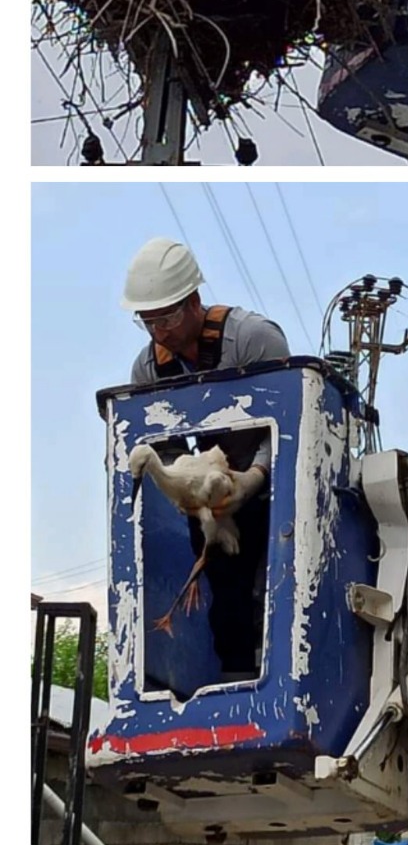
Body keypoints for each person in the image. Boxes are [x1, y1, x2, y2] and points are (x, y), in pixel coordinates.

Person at [123, 237, 290, 677]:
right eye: (149, 321)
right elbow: (169, 447)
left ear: (195, 300)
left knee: (276, 585)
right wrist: (192, 489)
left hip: (275, 489)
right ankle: (235, 679)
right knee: (226, 594)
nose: (160, 331)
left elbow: (291, 418)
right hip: (207, 495)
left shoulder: (253, 340)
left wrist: (255, 477)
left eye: (169, 317)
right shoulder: (149, 371)